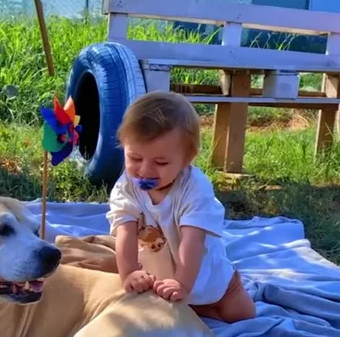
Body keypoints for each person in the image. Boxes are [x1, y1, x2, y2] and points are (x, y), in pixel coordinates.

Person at [106, 91, 256, 323]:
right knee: (177, 314)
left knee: (242, 315)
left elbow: (192, 241)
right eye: (135, 158)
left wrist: (183, 284)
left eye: (160, 162)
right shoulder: (126, 187)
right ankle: (194, 308)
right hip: (160, 276)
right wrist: (130, 273)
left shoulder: (195, 188)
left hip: (206, 276)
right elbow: (125, 232)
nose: (145, 171)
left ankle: (219, 297)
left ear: (187, 159)